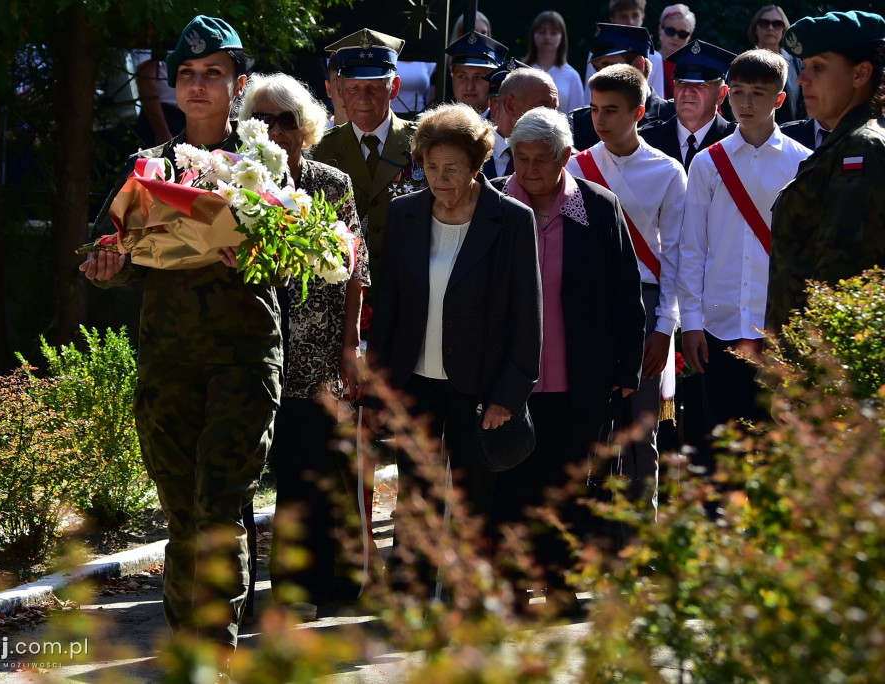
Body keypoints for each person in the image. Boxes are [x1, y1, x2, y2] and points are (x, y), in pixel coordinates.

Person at [80, 15, 280, 660]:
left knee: (218, 510)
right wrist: (104, 267)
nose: (197, 87)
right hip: (167, 362)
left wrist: (254, 255)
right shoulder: (148, 170)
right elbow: (113, 248)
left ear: (237, 84)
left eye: (212, 75)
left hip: (243, 361)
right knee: (184, 520)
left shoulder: (266, 166)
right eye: (187, 75)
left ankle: (212, 659)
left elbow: (309, 263)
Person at [365, 102, 542, 592]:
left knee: (471, 496)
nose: (439, 178)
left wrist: (510, 393)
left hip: (480, 386)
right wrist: (379, 388)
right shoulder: (405, 214)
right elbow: (389, 307)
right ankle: (408, 592)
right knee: (416, 492)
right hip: (414, 380)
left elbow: (527, 317)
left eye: (452, 169)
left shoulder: (510, 220)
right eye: (430, 166)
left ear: (477, 167)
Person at [492, 105, 644, 614]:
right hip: (508, 379)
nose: (529, 170)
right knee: (511, 484)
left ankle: (559, 583)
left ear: (566, 158)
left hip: (578, 376)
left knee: (568, 485)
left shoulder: (598, 208)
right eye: (520, 158)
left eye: (541, 160)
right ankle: (511, 585)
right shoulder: (492, 204)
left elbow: (626, 294)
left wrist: (626, 370)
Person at [236, 73, 372, 615]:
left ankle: (302, 592)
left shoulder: (332, 184)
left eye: (285, 119)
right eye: (262, 118)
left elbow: (357, 273)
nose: (273, 128)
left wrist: (350, 348)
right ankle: (237, 596)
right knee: (240, 482)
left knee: (307, 480)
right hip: (246, 356)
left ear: (305, 127)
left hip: (315, 360)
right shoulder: (231, 182)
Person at [677, 49, 810, 473]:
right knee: (723, 450)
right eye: (737, 92)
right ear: (725, 97)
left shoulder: (802, 162)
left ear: (779, 98)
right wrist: (692, 323)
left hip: (778, 328)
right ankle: (722, 533)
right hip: (719, 326)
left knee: (777, 450)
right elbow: (692, 248)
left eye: (758, 93)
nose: (746, 103)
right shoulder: (707, 163)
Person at [565, 64, 686, 509]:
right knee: (588, 426)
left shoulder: (668, 171)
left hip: (647, 305)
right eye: (595, 109)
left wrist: (664, 328)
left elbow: (676, 256)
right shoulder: (574, 166)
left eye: (612, 110)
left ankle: (639, 544)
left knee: (641, 431)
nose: (600, 120)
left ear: (638, 111)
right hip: (586, 308)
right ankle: (588, 536)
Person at [766, 10, 885, 332]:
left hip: (826, 366)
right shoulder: (846, 143)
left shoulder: (861, 151)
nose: (802, 79)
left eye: (818, 67)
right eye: (804, 68)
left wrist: (810, 373)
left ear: (860, 74)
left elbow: (842, 282)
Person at [313, 29, 421, 294]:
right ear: (339, 88)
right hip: (340, 295)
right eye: (353, 88)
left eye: (373, 87)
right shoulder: (319, 149)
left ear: (394, 88)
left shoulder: (423, 145)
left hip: (408, 293)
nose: (362, 98)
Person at [569, 23, 675, 151]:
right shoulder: (581, 123)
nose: (600, 75)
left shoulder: (673, 119)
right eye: (597, 68)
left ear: (637, 66)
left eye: (609, 67)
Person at [641, 40, 736, 171]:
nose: (687, 92)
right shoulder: (647, 140)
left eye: (700, 85)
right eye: (681, 83)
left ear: (721, 94)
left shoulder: (736, 142)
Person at [583, 0, 667, 99]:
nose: (630, 22)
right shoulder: (597, 53)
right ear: (613, 20)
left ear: (642, 17)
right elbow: (590, 96)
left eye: (635, 16)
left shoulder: (655, 58)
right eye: (623, 16)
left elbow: (657, 98)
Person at [487, 66, 560, 178]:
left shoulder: (561, 157)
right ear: (510, 106)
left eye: (554, 108)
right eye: (544, 107)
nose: (552, 116)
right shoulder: (470, 152)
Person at [747, 5, 806, 123]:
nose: (770, 28)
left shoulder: (796, 62)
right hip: (755, 134)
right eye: (764, 23)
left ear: (784, 30)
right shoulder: (744, 64)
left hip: (794, 133)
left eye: (777, 24)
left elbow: (805, 100)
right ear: (755, 28)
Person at [523, 11, 585, 114]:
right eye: (542, 32)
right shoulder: (521, 71)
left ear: (562, 37)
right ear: (533, 35)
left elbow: (577, 116)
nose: (547, 37)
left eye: (553, 32)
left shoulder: (572, 76)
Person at [445, 31, 508, 117]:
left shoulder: (504, 129)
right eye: (462, 76)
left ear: (492, 80)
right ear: (452, 76)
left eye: (479, 77)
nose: (470, 86)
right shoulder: (438, 128)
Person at [656, 4, 696, 98]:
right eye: (670, 31)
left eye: (682, 34)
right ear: (660, 29)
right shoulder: (646, 63)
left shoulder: (696, 70)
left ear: (690, 36)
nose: (675, 38)